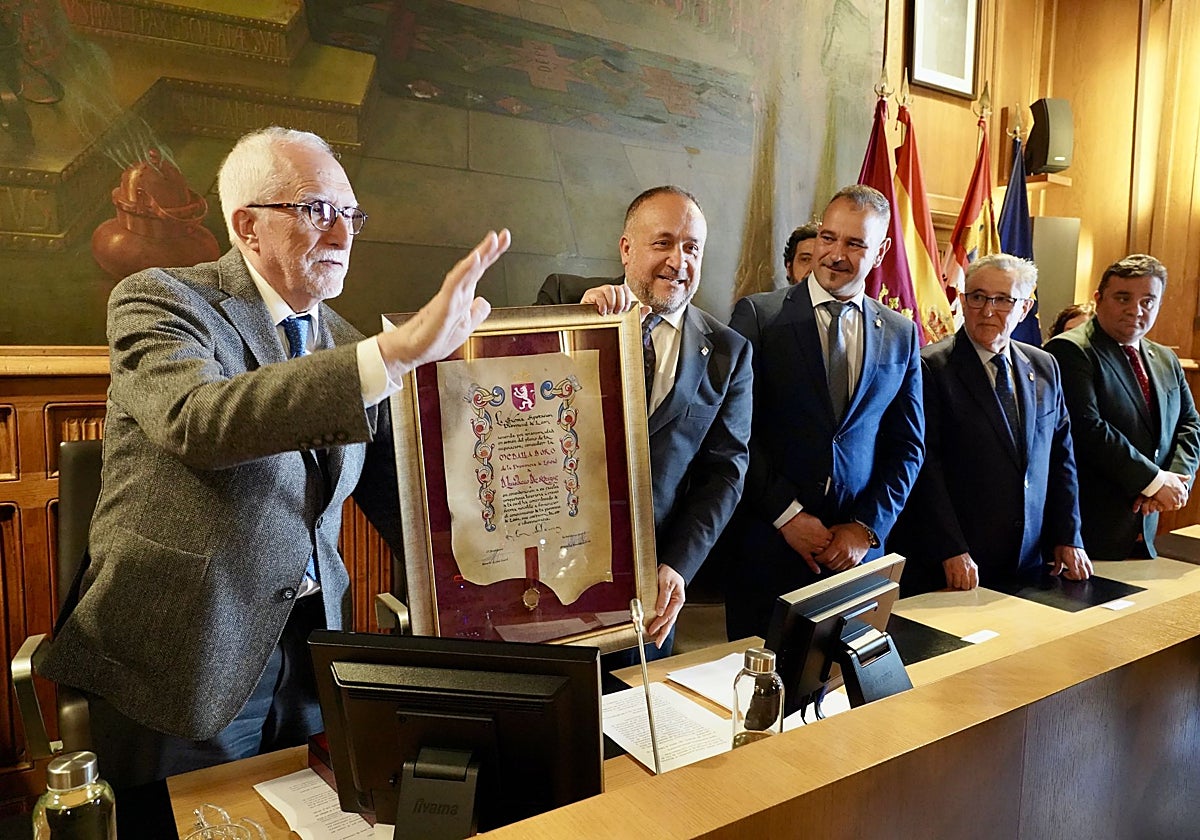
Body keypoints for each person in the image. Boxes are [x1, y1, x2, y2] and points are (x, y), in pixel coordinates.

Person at [41, 126, 511, 787]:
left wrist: (514, 593)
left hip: (312, 654)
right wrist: (392, 356)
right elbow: (198, 421)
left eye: (351, 215)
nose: (345, 237)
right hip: (185, 654)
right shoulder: (163, 301)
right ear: (248, 225)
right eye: (318, 210)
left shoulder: (343, 343)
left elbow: (405, 507)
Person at [536, 186, 753, 657]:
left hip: (649, 591)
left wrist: (678, 565)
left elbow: (724, 474)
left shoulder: (729, 353)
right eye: (663, 243)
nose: (679, 261)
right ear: (626, 248)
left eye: (692, 247)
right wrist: (576, 323)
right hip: (548, 574)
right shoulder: (567, 298)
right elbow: (520, 403)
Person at [724, 184, 924, 640]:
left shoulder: (900, 333)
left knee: (847, 696)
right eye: (829, 238)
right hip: (771, 547)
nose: (835, 254)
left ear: (881, 251)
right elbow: (736, 433)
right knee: (758, 697)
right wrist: (787, 516)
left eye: (855, 243)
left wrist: (865, 528)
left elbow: (908, 446)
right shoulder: (760, 316)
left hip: (857, 559)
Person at [892, 254, 1092, 594]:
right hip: (955, 561)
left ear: (1025, 307)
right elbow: (926, 468)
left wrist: (1068, 535)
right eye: (977, 297)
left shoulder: (1044, 365)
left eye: (1002, 300)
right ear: (962, 300)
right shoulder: (930, 367)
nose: (987, 310)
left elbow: (1061, 457)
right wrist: (950, 548)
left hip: (1029, 558)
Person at [1046, 254, 1200, 560]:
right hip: (1086, 532)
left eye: (1148, 301)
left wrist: (1177, 480)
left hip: (1145, 528)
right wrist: (1154, 481)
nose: (1135, 310)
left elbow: (1190, 423)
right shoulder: (1071, 350)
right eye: (1123, 298)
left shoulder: (1165, 358)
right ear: (1099, 299)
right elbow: (1089, 429)